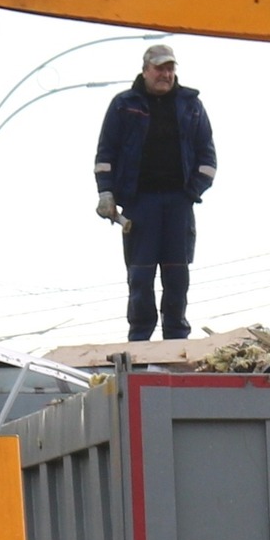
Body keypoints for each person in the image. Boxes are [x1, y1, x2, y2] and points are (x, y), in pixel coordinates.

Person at [94, 43, 217, 341]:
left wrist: (191, 192)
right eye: (160, 68)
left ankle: (176, 339)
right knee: (140, 275)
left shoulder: (191, 105)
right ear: (146, 69)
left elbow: (208, 158)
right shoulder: (124, 105)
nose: (166, 74)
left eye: (170, 68)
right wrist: (106, 193)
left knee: (177, 275)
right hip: (140, 203)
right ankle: (140, 340)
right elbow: (106, 153)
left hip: (179, 202)